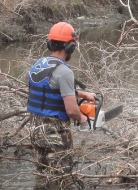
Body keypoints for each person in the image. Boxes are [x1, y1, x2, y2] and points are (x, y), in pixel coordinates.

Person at [27, 22, 96, 174]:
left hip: (35, 129)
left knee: (43, 174)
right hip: (54, 132)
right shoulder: (64, 71)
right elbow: (71, 110)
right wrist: (83, 119)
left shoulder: (38, 64)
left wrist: (81, 94)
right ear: (70, 47)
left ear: (50, 43)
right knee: (61, 177)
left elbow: (49, 90)